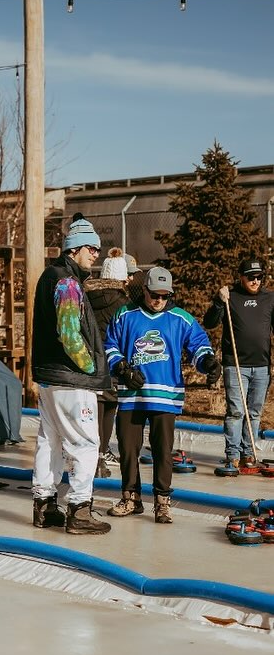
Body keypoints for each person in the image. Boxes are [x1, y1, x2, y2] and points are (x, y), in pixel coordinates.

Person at [105, 267, 221, 524]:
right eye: (154, 295)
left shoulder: (182, 319)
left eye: (165, 296)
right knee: (127, 449)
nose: (159, 300)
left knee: (163, 451)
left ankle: (162, 502)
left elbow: (199, 346)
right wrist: (121, 368)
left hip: (165, 397)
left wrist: (208, 363)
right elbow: (109, 345)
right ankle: (131, 498)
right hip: (131, 396)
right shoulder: (124, 316)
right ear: (144, 290)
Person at [31, 214, 111, 535]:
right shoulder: (66, 282)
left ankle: (45, 504)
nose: (96, 254)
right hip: (70, 378)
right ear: (74, 249)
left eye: (97, 249)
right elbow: (69, 332)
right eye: (91, 248)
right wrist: (89, 366)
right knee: (86, 443)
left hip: (49, 376)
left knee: (48, 441)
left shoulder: (49, 277)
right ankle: (80, 509)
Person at [202, 258, 274, 471]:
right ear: (241, 277)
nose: (255, 281)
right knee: (236, 411)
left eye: (259, 277)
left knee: (254, 412)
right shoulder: (229, 297)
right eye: (251, 277)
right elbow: (210, 323)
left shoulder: (270, 298)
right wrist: (218, 301)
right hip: (235, 365)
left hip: (261, 365)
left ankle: (248, 453)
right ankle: (232, 454)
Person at [84, 247, 131, 478]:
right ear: (122, 277)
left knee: (95, 407)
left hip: (90, 360)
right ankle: (101, 455)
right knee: (109, 406)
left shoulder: (88, 296)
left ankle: (95, 454)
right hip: (112, 360)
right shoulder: (122, 303)